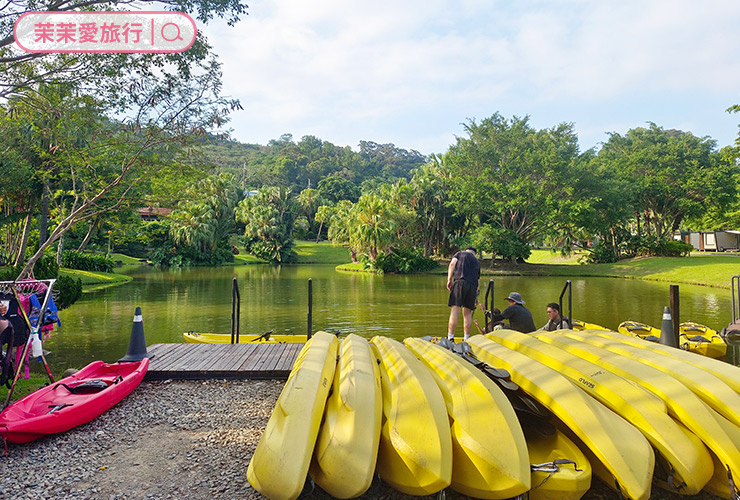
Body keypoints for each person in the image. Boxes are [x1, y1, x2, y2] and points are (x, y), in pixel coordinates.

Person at [446, 246, 480, 342]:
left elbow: (452, 264)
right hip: (472, 287)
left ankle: (450, 337)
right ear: (475, 254)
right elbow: (478, 281)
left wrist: (449, 279)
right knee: (467, 313)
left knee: (455, 310)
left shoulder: (460, 253)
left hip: (460, 282)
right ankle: (466, 338)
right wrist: (476, 298)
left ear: (466, 251)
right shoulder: (477, 261)